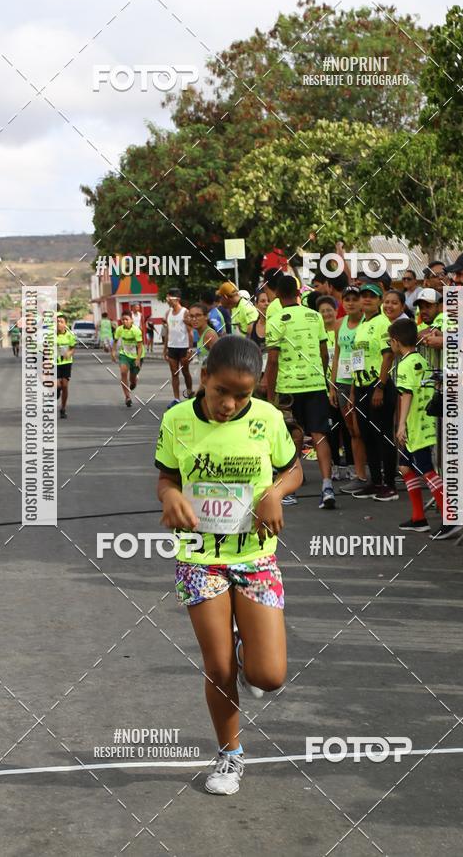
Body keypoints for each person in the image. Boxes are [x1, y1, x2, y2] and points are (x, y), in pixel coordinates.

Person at [155, 335, 302, 795]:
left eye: (243, 395)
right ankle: (229, 755)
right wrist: (172, 496)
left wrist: (275, 493)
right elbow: (165, 476)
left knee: (268, 676)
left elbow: (293, 468)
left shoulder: (268, 419)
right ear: (203, 379)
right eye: (222, 392)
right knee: (217, 668)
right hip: (200, 557)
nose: (230, 404)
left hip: (255, 555)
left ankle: (247, 654)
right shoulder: (177, 420)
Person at [265, 274, 336, 509]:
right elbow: (325, 353)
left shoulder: (275, 320)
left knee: (291, 436)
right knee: (319, 434)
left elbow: (273, 361)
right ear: (298, 294)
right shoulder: (315, 316)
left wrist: (270, 394)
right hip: (316, 385)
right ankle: (327, 486)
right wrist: (321, 375)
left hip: (287, 389)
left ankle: (290, 488)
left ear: (276, 295)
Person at [389, 319, 450, 538]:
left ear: (396, 342)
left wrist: (401, 424)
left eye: (390, 341)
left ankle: (449, 517)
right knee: (406, 468)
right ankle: (418, 518)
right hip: (420, 422)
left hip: (415, 426)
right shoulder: (419, 360)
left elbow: (407, 394)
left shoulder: (405, 364)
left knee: (426, 470)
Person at [349, 283, 398, 501]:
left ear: (379, 301)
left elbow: (388, 355)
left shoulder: (382, 323)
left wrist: (380, 385)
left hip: (377, 385)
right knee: (367, 435)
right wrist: (352, 390)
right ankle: (375, 481)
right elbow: (356, 359)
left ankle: (389, 484)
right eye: (364, 296)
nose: (366, 300)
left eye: (372, 297)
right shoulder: (361, 325)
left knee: (383, 435)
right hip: (360, 385)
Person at [330, 286, 368, 489]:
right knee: (351, 429)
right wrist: (332, 385)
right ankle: (359, 475)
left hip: (360, 381)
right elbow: (336, 355)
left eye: (355, 299)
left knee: (362, 428)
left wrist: (355, 385)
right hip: (342, 382)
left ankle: (371, 472)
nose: (351, 303)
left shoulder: (365, 323)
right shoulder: (338, 324)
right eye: (347, 299)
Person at [317, 295, 353, 481]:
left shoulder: (340, 330)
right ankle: (336, 464)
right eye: (322, 311)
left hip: (344, 384)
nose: (326, 314)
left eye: (329, 310)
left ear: (335, 310)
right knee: (332, 427)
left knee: (348, 427)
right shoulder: (318, 335)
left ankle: (350, 464)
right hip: (325, 387)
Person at [163, 288, 194, 400]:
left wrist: (190, 349)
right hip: (172, 347)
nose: (167, 300)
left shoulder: (185, 312)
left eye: (169, 298)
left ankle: (189, 393)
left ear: (177, 299)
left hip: (184, 347)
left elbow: (190, 332)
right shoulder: (168, 313)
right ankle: (176, 399)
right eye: (167, 298)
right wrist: (164, 348)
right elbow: (168, 332)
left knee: (185, 372)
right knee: (174, 373)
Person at [112, 310, 143, 407]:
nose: (125, 321)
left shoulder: (136, 330)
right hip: (124, 354)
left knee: (132, 380)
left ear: (132, 320)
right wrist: (113, 352)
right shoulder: (119, 329)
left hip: (136, 356)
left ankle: (134, 381)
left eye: (127, 319)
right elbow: (115, 341)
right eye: (123, 319)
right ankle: (127, 397)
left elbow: (140, 346)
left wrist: (137, 359)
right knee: (123, 372)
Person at [56, 314, 77, 419]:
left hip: (66, 363)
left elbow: (73, 348)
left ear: (65, 324)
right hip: (54, 363)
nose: (59, 323)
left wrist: (69, 353)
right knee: (57, 385)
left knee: (64, 385)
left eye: (61, 321)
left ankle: (63, 408)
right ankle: (57, 389)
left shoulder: (70, 335)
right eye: (57, 321)